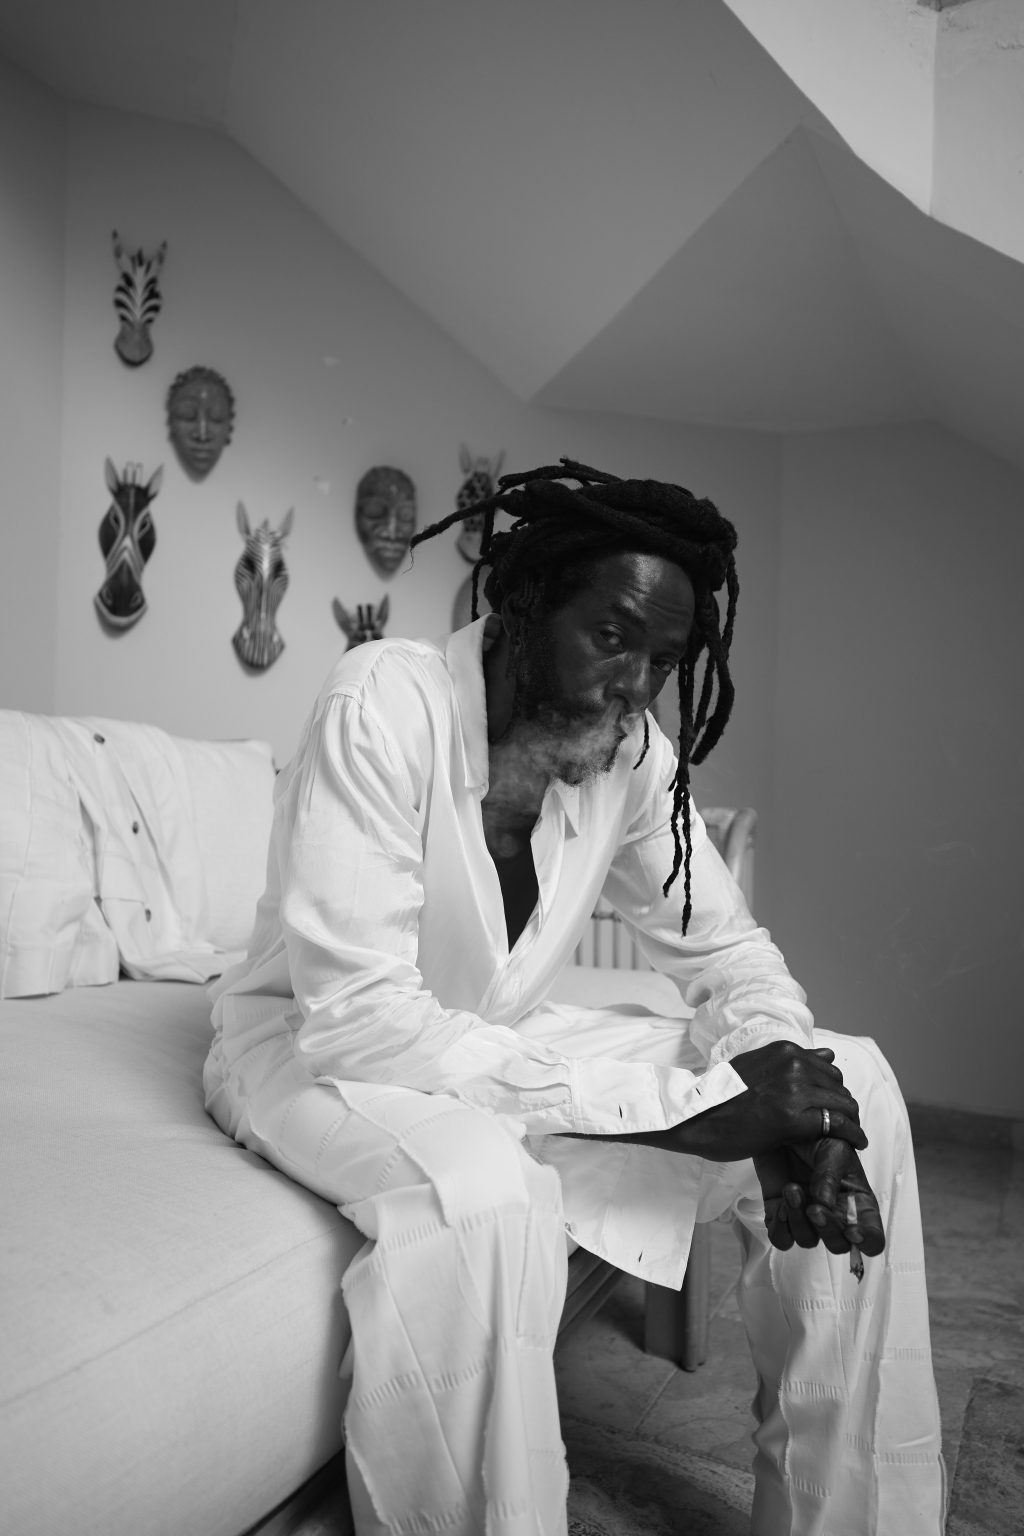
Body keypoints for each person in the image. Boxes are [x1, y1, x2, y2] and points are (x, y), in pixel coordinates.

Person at [204, 458, 945, 1535]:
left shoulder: (631, 754)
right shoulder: (382, 700)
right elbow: (360, 1018)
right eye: (610, 636)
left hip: (482, 1036)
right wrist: (688, 1115)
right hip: (310, 1048)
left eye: (663, 661)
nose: (635, 686)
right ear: (522, 605)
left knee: (853, 1086)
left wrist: (789, 1093)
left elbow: (729, 952)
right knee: (485, 1195)